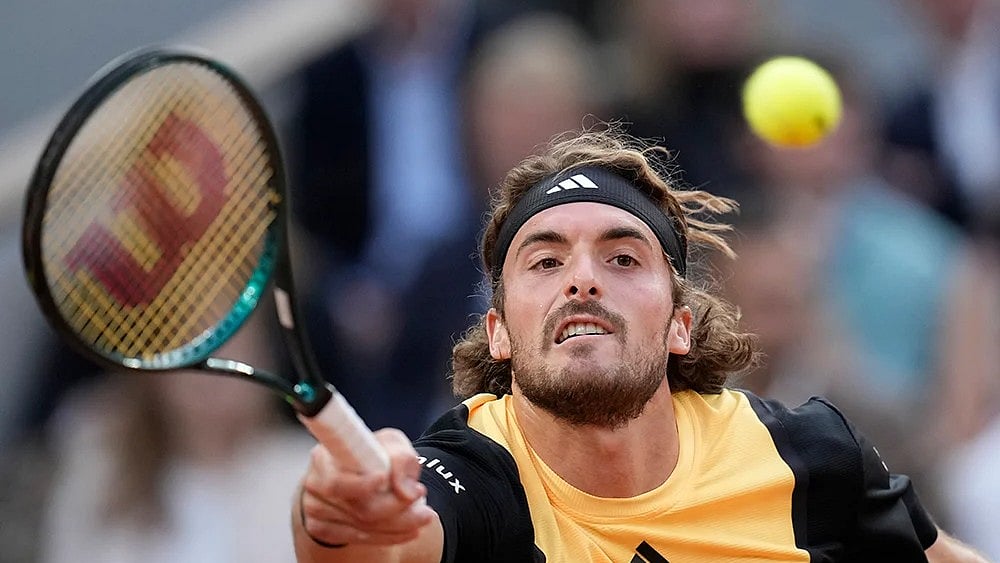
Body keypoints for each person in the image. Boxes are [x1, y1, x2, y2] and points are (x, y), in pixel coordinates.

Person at [291, 128, 988, 562]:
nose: (583, 281)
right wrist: (337, 510)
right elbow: (381, 541)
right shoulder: (476, 478)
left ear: (681, 321)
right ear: (498, 333)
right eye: (545, 261)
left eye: (623, 259)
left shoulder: (807, 455)